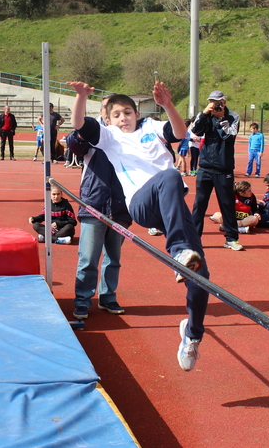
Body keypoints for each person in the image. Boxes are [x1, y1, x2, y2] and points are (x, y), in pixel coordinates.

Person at [70, 80, 209, 372]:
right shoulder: (107, 137)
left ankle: (192, 334)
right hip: (142, 204)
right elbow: (80, 124)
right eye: (117, 114)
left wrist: (168, 105)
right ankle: (178, 252)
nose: (124, 118)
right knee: (170, 176)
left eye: (128, 113)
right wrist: (81, 97)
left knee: (201, 273)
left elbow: (181, 133)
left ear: (137, 114)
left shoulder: (151, 127)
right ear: (108, 119)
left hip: (172, 205)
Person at [66, 94, 131, 319]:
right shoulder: (93, 133)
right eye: (107, 108)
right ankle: (83, 300)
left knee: (113, 258)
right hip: (94, 204)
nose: (113, 112)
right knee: (88, 259)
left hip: (121, 208)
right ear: (103, 112)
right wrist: (81, 131)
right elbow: (74, 143)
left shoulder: (128, 136)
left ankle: (107, 297)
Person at [190, 90, 244, 251]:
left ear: (224, 102)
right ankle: (194, 238)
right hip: (205, 167)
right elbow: (196, 131)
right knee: (199, 204)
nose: (215, 105)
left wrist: (221, 119)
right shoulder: (206, 116)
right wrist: (204, 114)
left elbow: (229, 136)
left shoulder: (233, 116)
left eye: (218, 102)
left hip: (224, 168)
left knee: (227, 204)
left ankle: (231, 238)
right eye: (212, 102)